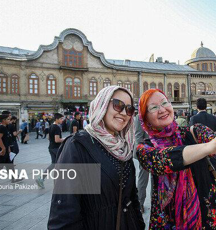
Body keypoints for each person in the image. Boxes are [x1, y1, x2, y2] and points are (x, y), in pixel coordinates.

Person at [136, 89, 216, 229]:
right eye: (154, 107)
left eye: (164, 102)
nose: (162, 109)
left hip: (208, 218)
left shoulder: (194, 131)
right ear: (145, 118)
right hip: (168, 221)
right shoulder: (145, 148)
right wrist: (209, 147)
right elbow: (163, 159)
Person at [48, 86, 145, 229]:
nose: (124, 113)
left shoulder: (123, 147)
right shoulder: (78, 146)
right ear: (102, 105)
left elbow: (132, 197)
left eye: (129, 109)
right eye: (118, 105)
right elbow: (64, 214)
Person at [36, 113, 65, 189]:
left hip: (51, 148)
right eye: (61, 119)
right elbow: (57, 140)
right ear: (57, 119)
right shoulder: (57, 127)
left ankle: (41, 178)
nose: (62, 120)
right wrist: (66, 139)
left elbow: (48, 138)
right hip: (56, 149)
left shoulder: (51, 126)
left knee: (54, 164)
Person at [133, 113, 150, 214]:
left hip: (156, 151)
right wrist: (142, 152)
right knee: (143, 178)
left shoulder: (154, 114)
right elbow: (138, 136)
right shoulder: (140, 117)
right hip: (144, 152)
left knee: (156, 179)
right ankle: (140, 203)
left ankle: (156, 202)